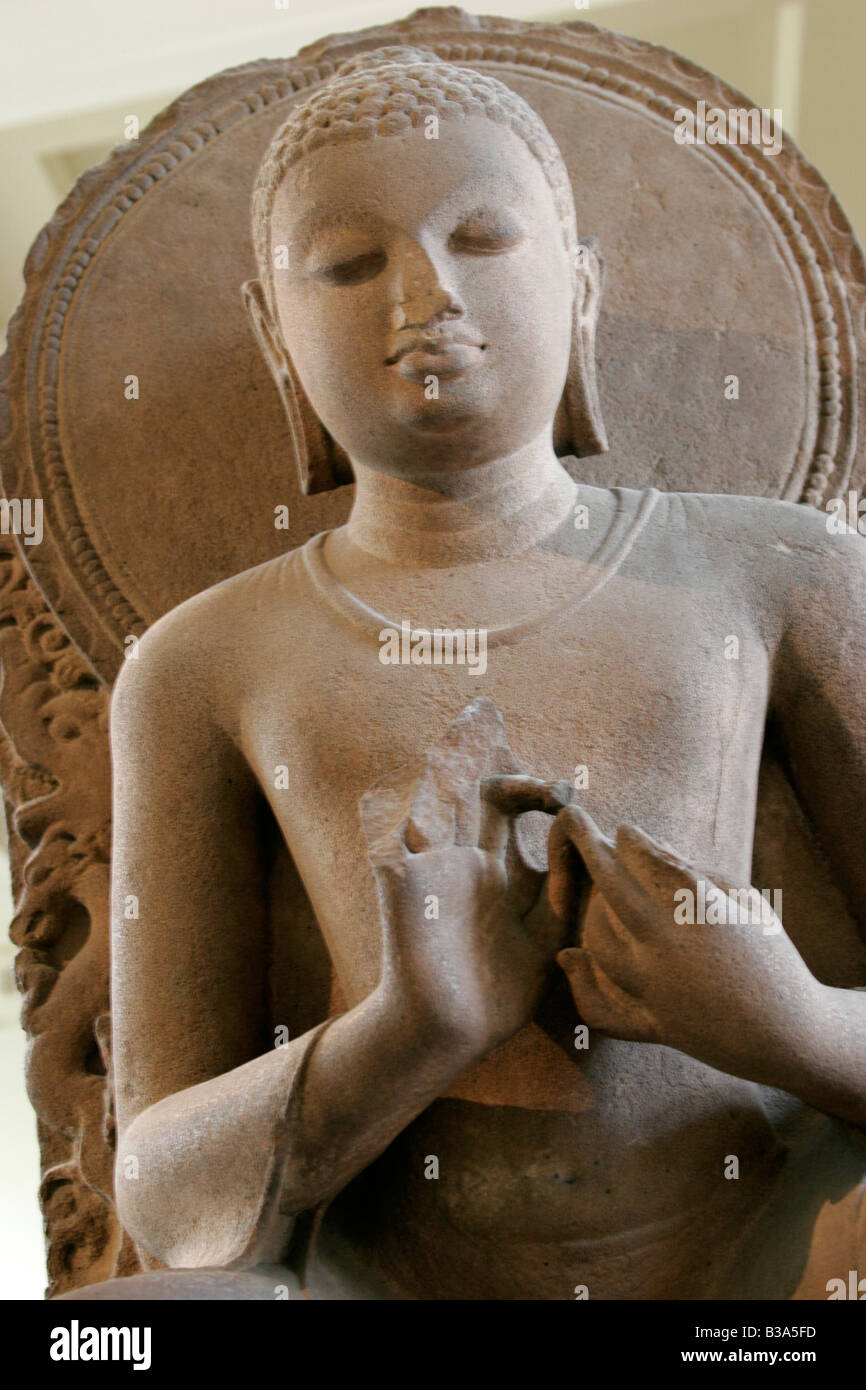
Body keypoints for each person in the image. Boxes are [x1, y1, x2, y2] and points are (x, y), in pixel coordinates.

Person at [105, 48, 866, 1300]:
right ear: (270, 330)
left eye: (481, 237)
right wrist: (405, 1032)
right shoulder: (200, 662)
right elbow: (162, 1192)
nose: (424, 295)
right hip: (390, 1287)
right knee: (127, 1334)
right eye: (349, 265)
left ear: (579, 288)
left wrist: (780, 1021)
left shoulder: (773, 570)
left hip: (761, 1275)